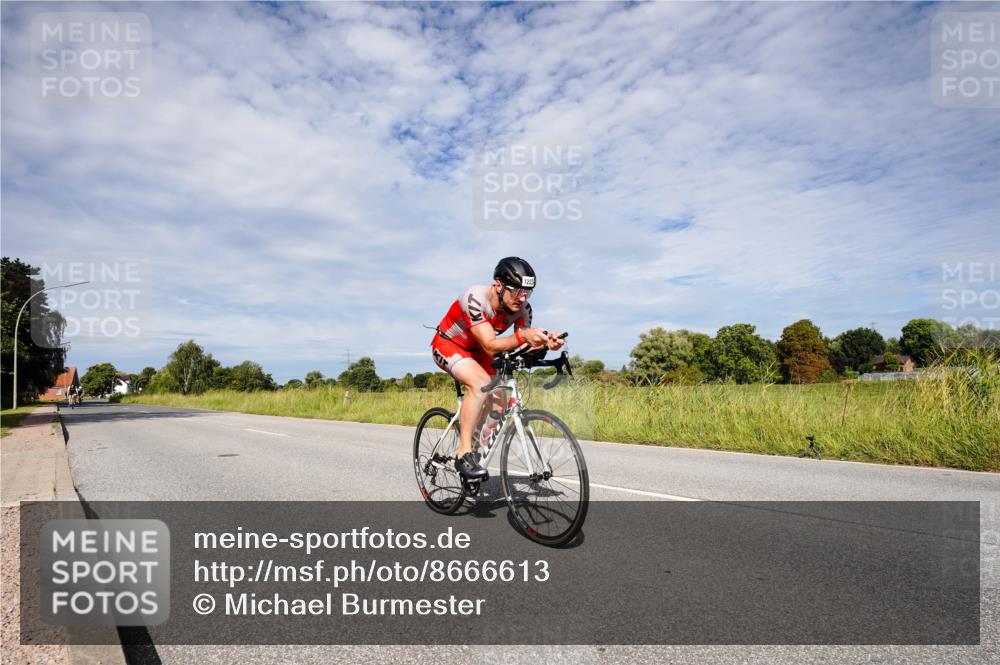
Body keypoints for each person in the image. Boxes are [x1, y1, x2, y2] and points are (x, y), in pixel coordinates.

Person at [430, 257, 564, 480]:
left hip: (481, 352)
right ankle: (463, 453)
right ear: (499, 286)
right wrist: (524, 336)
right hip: (449, 344)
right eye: (517, 291)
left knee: (501, 400)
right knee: (481, 384)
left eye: (527, 293)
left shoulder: (523, 310)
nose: (522, 298)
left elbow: (520, 345)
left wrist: (545, 342)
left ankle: (475, 444)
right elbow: (492, 344)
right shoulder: (474, 298)